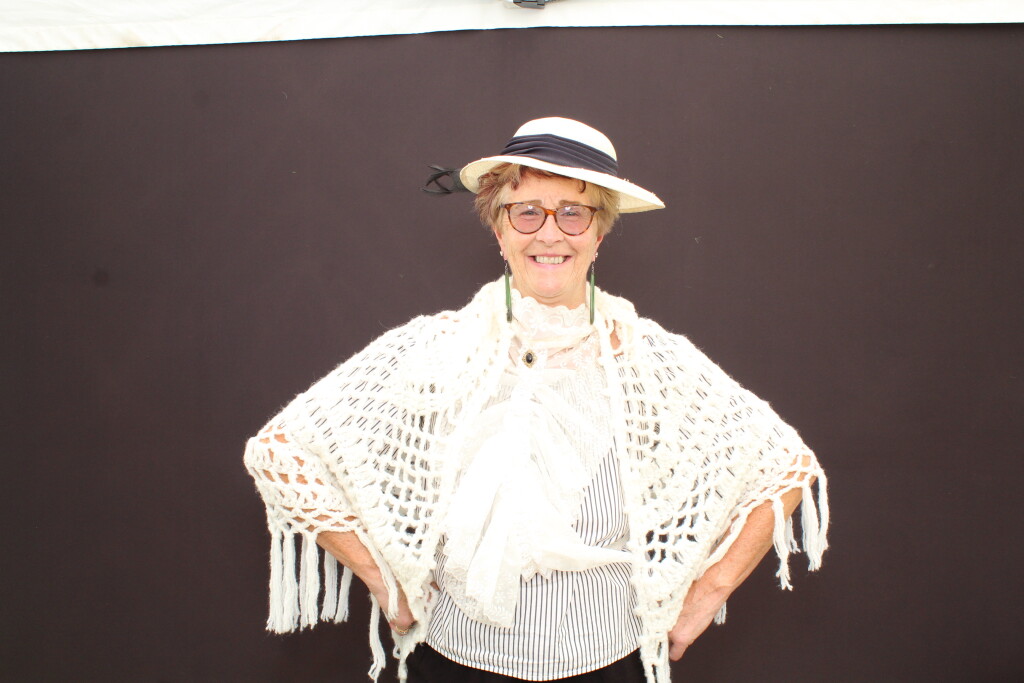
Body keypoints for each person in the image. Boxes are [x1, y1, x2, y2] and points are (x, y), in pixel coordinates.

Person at [243, 117, 828, 683]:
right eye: (527, 211)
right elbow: (280, 451)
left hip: (607, 664)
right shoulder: (435, 349)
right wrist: (383, 579)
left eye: (574, 212)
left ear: (599, 233)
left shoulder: (651, 361)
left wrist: (709, 592)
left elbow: (786, 466)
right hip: (451, 663)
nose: (550, 233)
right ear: (500, 232)